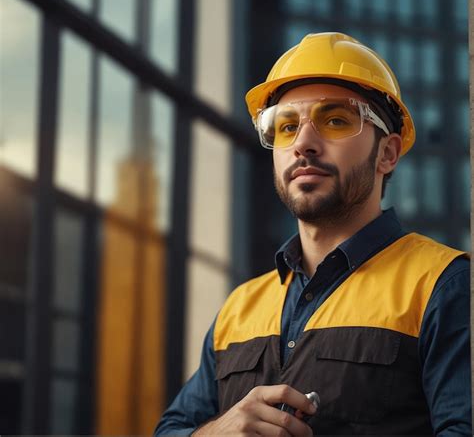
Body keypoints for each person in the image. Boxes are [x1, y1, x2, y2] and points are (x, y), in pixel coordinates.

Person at [154, 32, 471, 436]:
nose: (303, 143)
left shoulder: (444, 284)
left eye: (335, 120)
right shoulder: (239, 309)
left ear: (387, 153)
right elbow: (171, 429)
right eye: (286, 126)